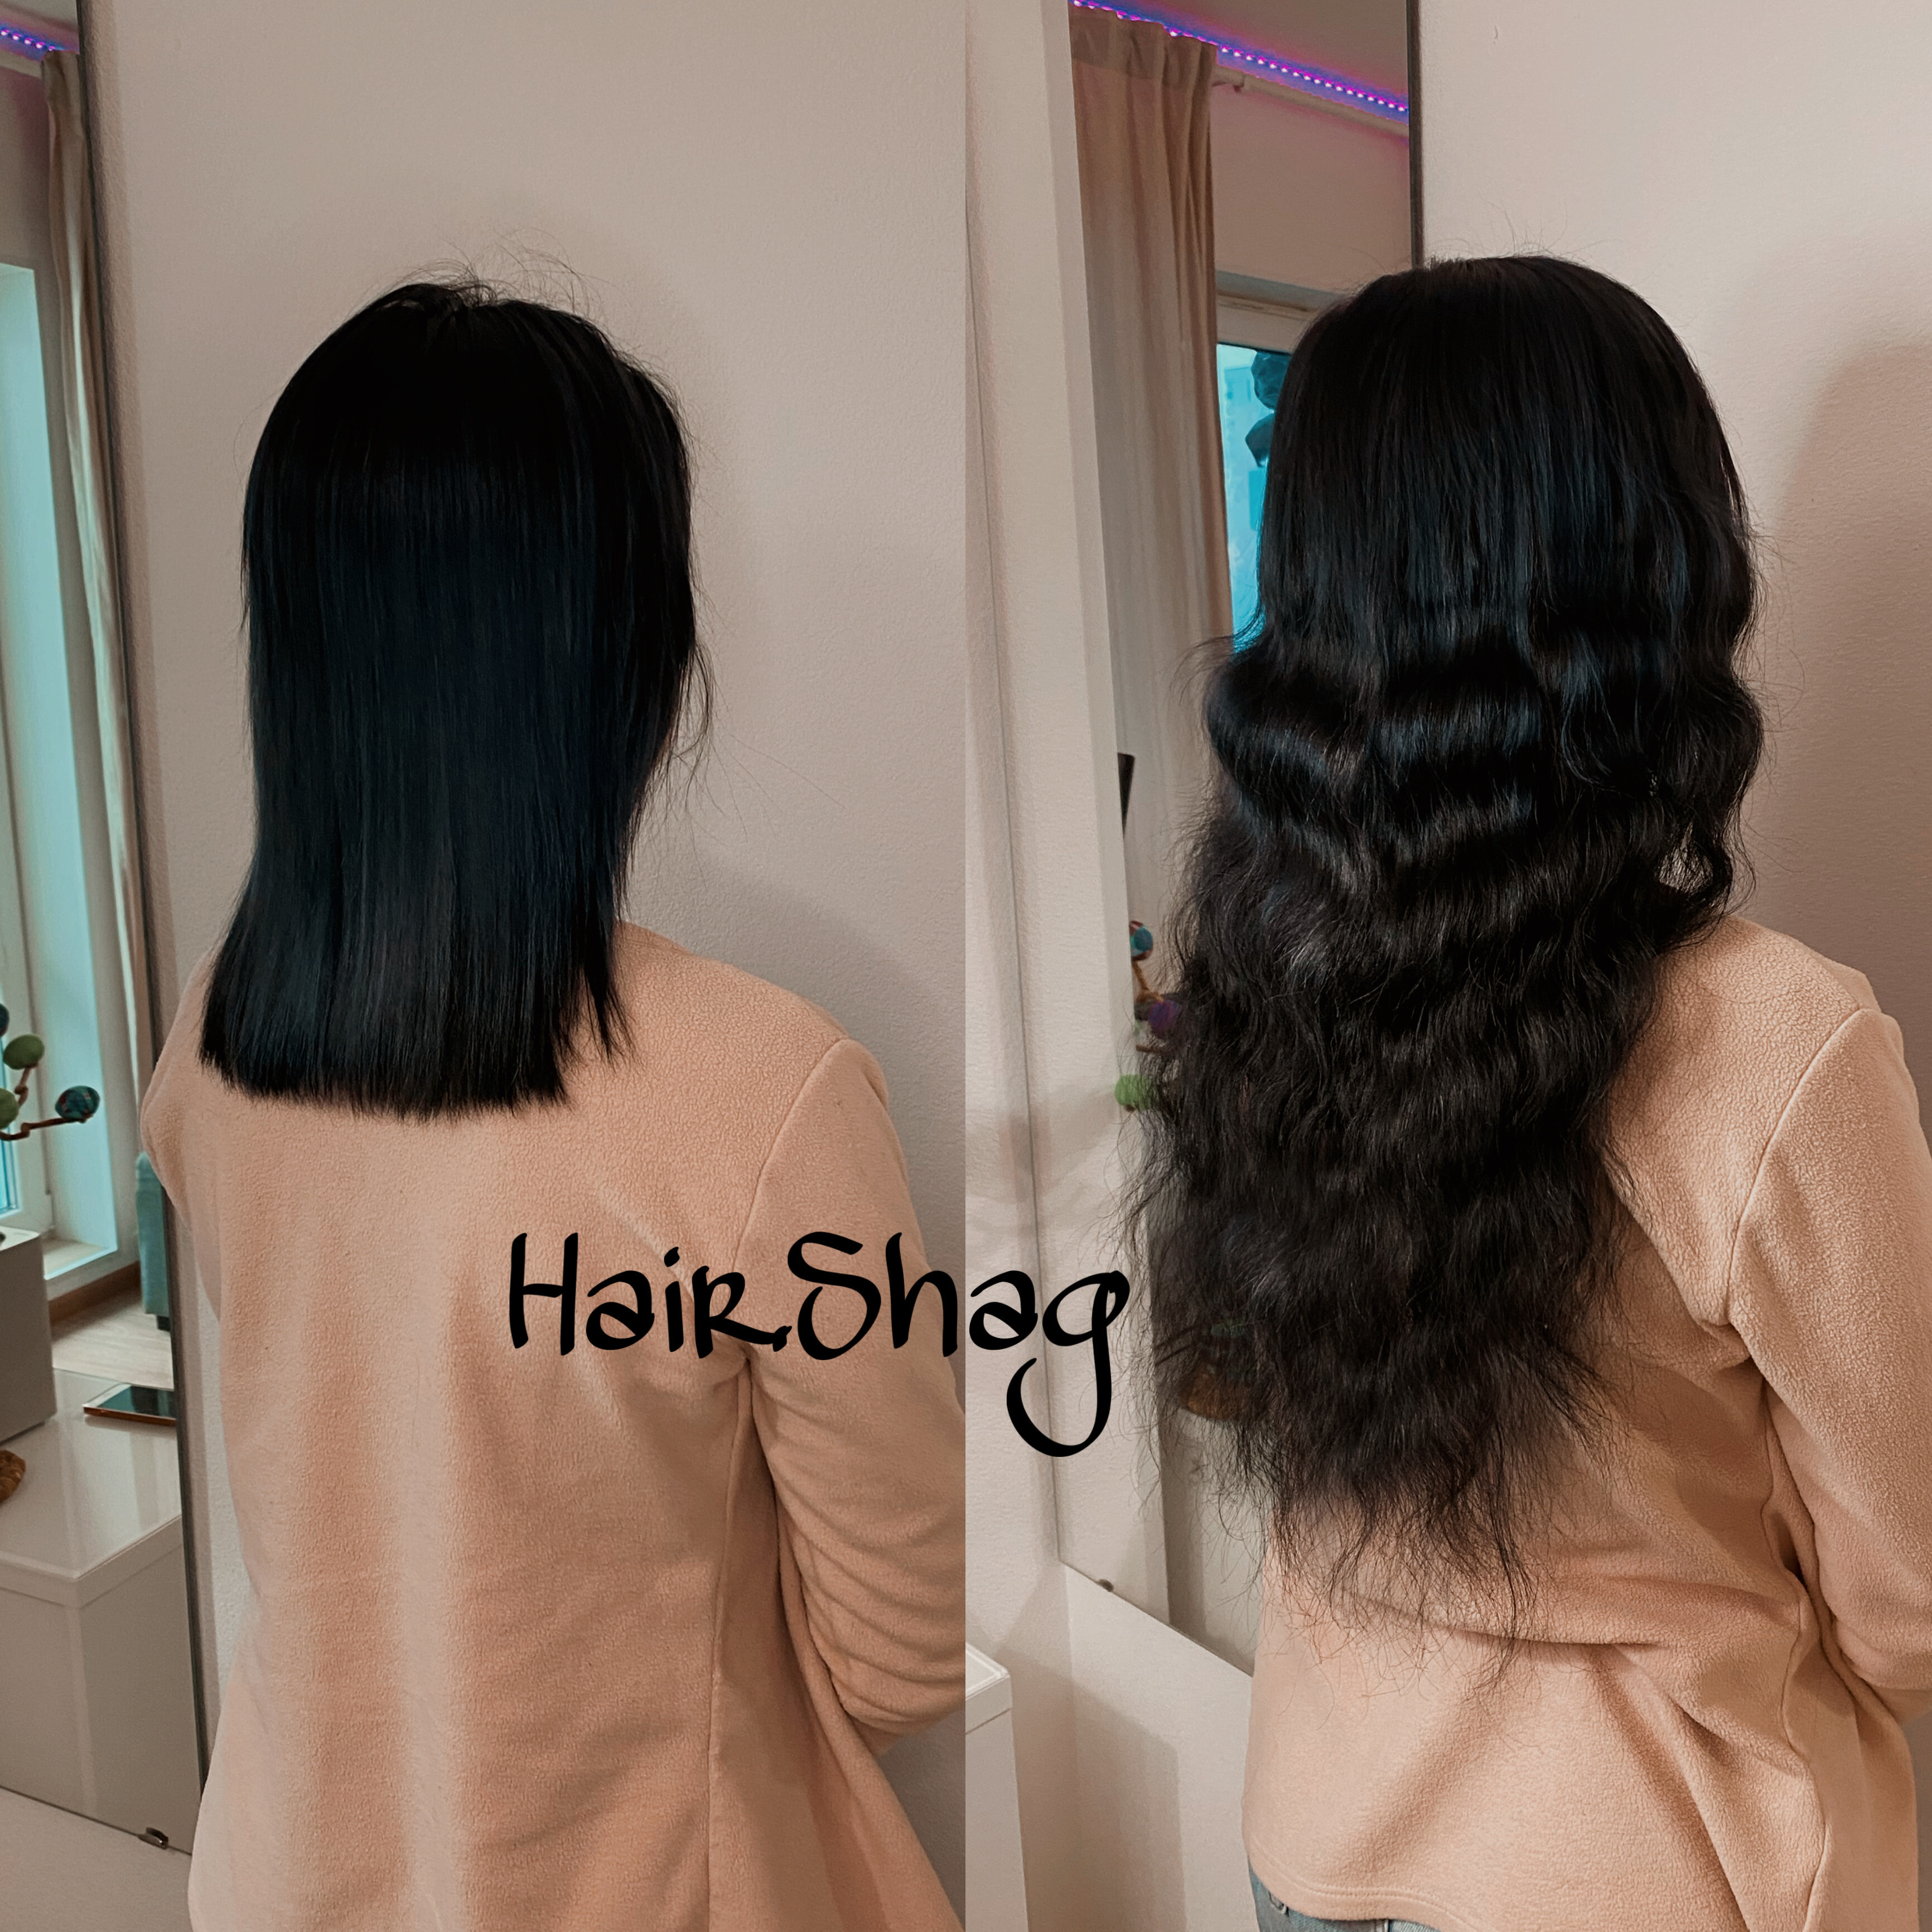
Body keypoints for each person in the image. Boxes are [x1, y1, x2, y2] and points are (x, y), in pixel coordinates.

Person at [140, 279, 964, 1932]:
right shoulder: (770, 1093)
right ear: (622, 664)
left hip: (287, 1880)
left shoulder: (214, 1039)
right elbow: (909, 1644)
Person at [1131, 254, 1932, 1932]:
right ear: (1653, 577)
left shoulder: (1269, 979)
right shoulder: (1779, 1046)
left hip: (1316, 1841)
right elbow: (1912, 1602)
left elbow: (1262, 1392)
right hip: (1640, 1871)